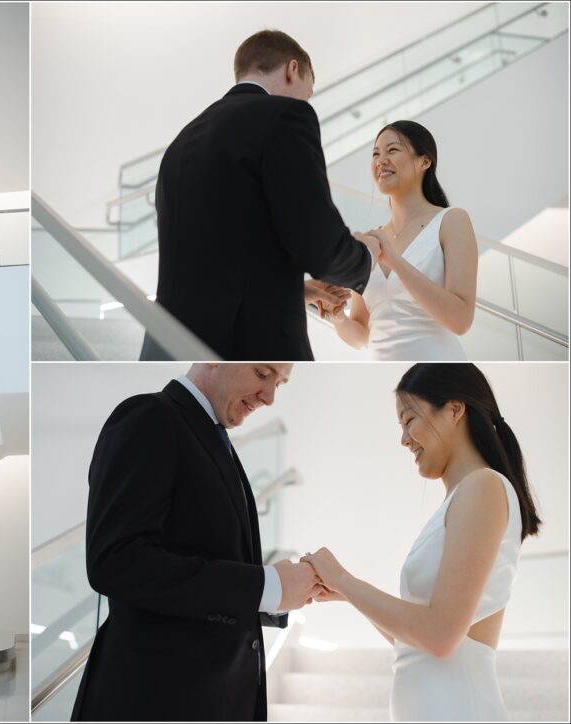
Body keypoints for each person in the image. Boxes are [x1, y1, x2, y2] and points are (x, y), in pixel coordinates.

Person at [72, 363, 321, 721]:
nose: (269, 397)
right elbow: (115, 561)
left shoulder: (211, 434)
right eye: (263, 374)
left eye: (280, 383)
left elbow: (206, 565)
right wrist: (266, 586)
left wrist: (280, 596)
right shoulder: (149, 417)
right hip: (154, 704)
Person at [301, 363, 541, 721]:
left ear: (454, 410)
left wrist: (344, 581)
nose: (403, 439)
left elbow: (440, 636)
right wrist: (347, 592)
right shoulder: (464, 497)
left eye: (408, 420)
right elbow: (417, 642)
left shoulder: (484, 486)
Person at [139, 30, 378, 361]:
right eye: (307, 93)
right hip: (252, 346)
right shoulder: (286, 116)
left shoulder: (181, 143)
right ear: (292, 70)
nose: (305, 103)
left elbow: (220, 258)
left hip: (168, 344)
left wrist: (295, 291)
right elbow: (321, 248)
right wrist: (366, 259)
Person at [318, 122, 478, 360]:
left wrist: (394, 260)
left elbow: (460, 320)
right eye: (375, 154)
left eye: (392, 150)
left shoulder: (451, 221)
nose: (380, 160)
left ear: (424, 162)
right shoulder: (372, 241)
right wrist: (338, 316)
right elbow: (362, 335)